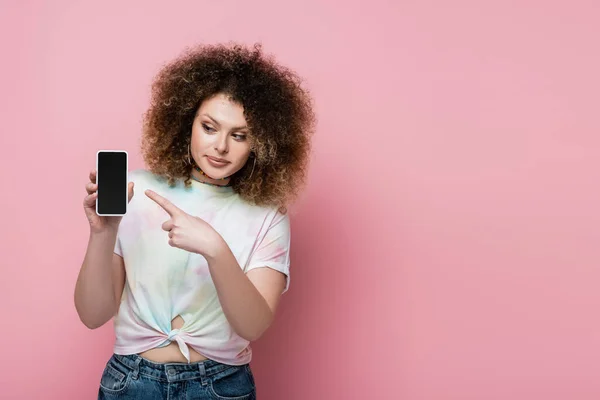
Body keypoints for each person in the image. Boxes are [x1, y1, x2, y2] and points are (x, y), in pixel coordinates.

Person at [74, 42, 315, 399]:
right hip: (131, 382)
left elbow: (253, 325)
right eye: (209, 127)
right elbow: (93, 315)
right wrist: (102, 234)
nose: (220, 147)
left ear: (260, 144)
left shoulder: (267, 215)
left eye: (239, 135)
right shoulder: (135, 191)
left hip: (220, 385)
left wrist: (215, 249)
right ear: (187, 122)